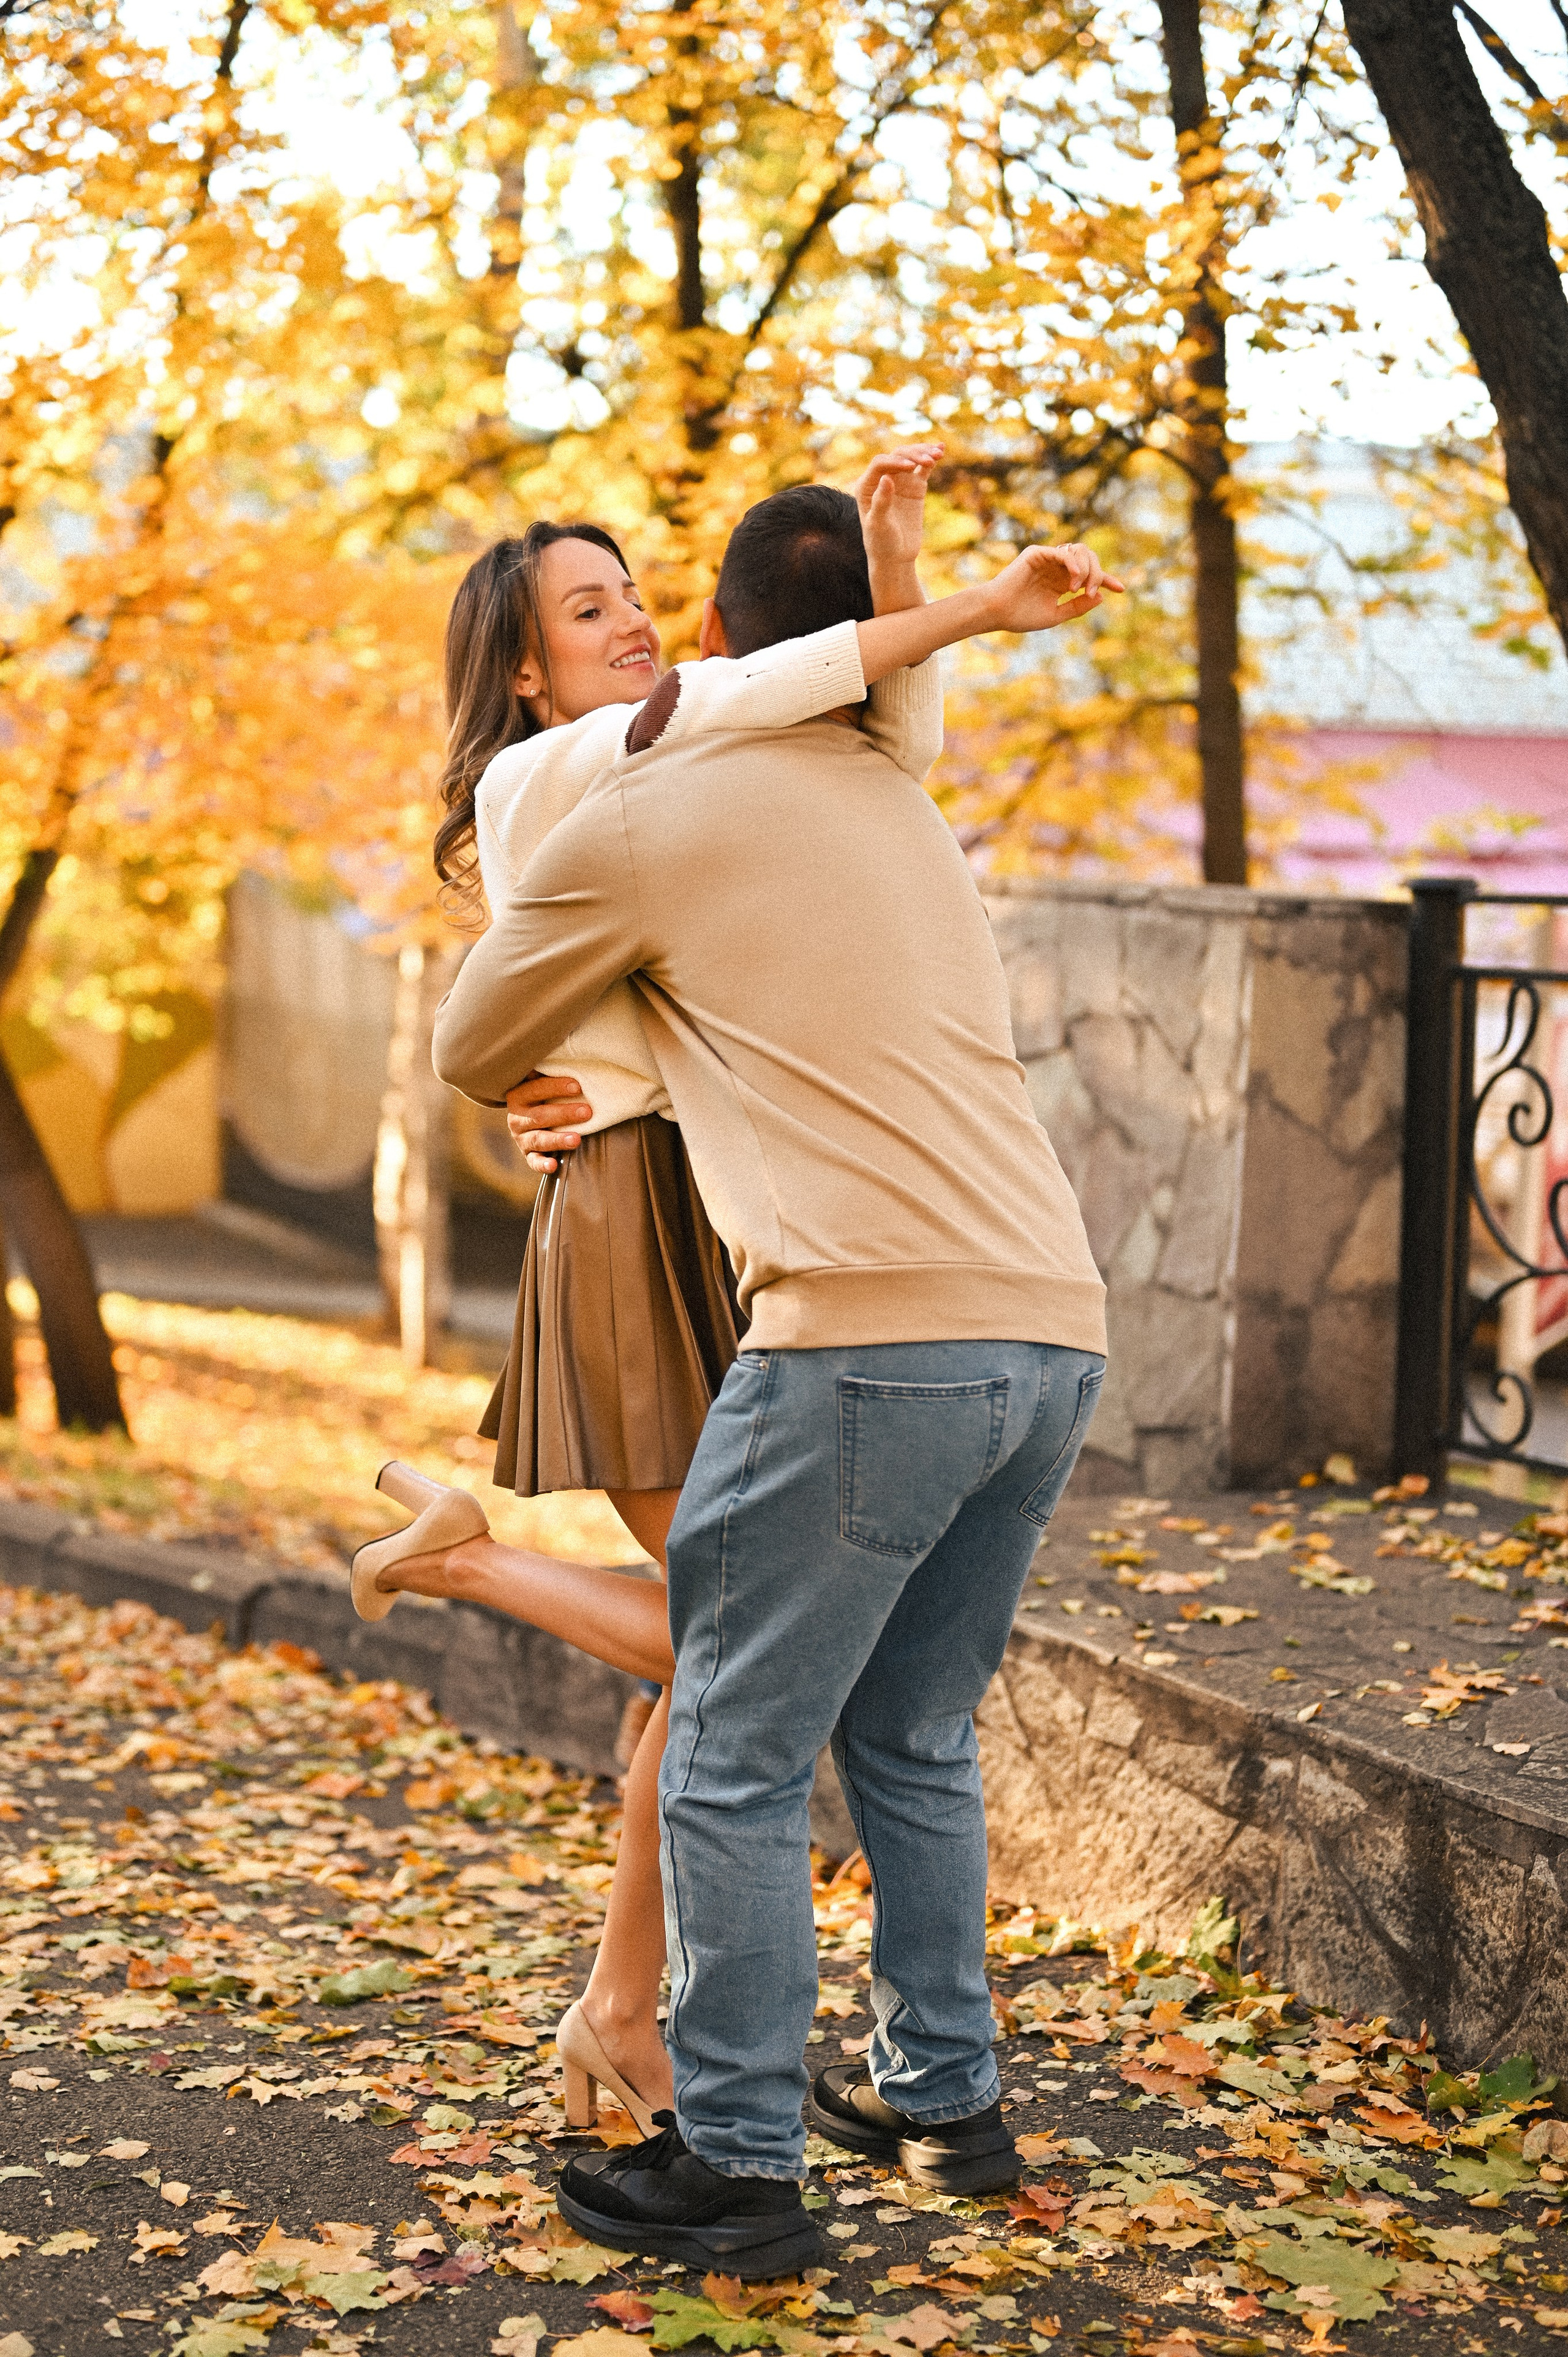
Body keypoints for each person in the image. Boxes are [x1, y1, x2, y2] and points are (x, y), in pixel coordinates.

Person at [428, 491, 1117, 2280]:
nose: (640, 627)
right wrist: (930, 588)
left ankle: (737, 2163)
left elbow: (472, 1038)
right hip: (1052, 1326)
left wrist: (563, 1069)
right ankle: (946, 2103)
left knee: (732, 1748)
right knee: (914, 1735)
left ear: (722, 638)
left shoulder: (638, 809)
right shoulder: (898, 795)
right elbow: (883, 692)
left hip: (864, 1333)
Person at [352, 451, 953, 2140]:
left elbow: (888, 741)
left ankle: (634, 2021)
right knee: (734, 1639)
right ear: (525, 670)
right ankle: (467, 1568)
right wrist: (951, 601)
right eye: (587, 610)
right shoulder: (543, 771)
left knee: (729, 1649)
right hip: (628, 1222)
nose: (630, 625)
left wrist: (901, 565)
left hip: (715, 1216)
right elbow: (767, 690)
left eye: (633, 595)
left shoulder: (674, 761)